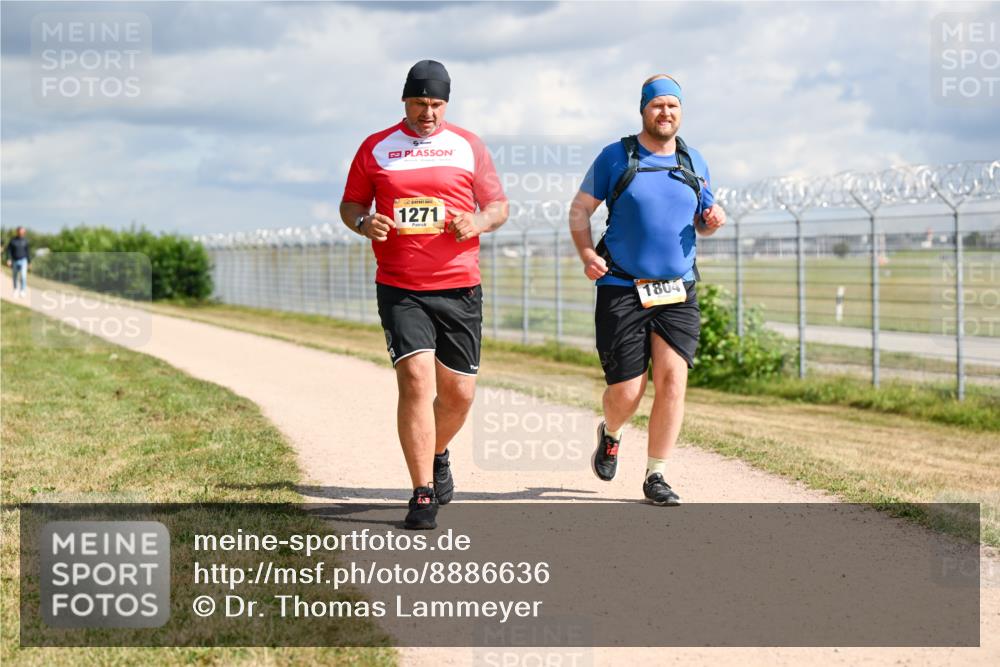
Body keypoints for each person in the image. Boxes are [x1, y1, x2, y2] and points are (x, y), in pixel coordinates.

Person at [340, 60, 508, 529]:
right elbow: (351, 203)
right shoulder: (377, 148)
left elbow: (498, 206)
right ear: (404, 101)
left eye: (435, 104)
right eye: (419, 103)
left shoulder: (467, 145)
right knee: (416, 380)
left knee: (459, 395)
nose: (427, 113)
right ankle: (421, 493)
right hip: (400, 285)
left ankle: (437, 451)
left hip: (459, 285)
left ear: (446, 103)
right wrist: (361, 222)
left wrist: (477, 220)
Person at [568, 74, 726, 506]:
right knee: (627, 392)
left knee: (674, 381)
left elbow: (702, 219)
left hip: (678, 289)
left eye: (673, 106)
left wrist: (712, 221)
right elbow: (581, 209)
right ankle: (612, 431)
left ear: (681, 112)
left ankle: (657, 474)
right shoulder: (616, 157)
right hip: (621, 285)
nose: (665, 112)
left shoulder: (694, 162)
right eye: (658, 105)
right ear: (643, 109)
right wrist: (586, 254)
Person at [4, 227, 31, 297]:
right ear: (17, 232)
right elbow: (9, 251)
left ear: (24, 233)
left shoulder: (26, 241)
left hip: (23, 260)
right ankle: (15, 289)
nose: (21, 233)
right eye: (20, 231)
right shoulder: (13, 240)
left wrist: (29, 262)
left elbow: (28, 252)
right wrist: (8, 259)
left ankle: (22, 290)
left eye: (23, 232)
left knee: (23, 276)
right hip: (15, 260)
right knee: (15, 276)